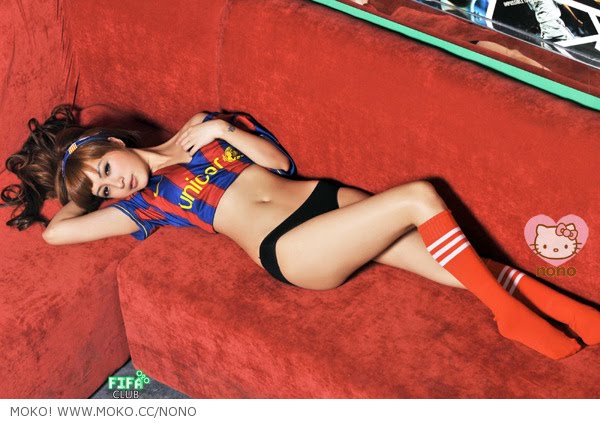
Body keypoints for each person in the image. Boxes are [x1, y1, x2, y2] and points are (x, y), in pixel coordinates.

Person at [2, 105, 599, 361]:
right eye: (104, 190)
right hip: (288, 248)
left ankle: (573, 312)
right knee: (419, 198)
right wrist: (71, 177)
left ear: (113, 141)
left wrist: (220, 131)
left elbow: (280, 164)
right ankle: (508, 316)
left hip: (322, 197)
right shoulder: (145, 207)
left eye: (107, 168)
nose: (116, 184)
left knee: (450, 261)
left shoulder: (199, 129)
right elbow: (57, 235)